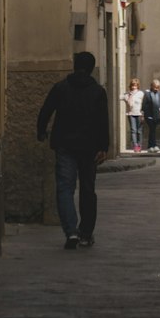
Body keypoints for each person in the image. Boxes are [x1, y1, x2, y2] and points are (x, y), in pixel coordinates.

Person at [36, 51, 109, 249]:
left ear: (74, 66)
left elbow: (46, 110)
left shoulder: (61, 88)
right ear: (92, 68)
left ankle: (71, 232)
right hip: (89, 147)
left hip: (65, 145)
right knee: (87, 189)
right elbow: (103, 121)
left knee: (64, 188)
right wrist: (103, 147)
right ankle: (86, 233)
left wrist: (41, 131)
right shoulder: (98, 92)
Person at [141, 78, 160, 154]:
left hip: (156, 115)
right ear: (151, 86)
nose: (156, 89)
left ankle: (152, 146)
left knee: (153, 130)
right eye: (155, 87)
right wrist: (143, 114)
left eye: (157, 87)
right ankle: (152, 146)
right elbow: (144, 105)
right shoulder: (147, 93)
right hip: (149, 115)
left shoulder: (159, 94)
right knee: (152, 130)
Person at [122, 77, 144, 153]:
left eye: (135, 85)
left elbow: (143, 104)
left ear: (138, 86)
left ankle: (139, 145)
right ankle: (135, 145)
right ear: (130, 86)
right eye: (132, 85)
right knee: (133, 130)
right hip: (131, 114)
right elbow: (119, 97)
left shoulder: (141, 93)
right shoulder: (127, 94)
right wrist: (128, 95)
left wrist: (143, 113)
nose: (134, 87)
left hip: (139, 114)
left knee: (139, 131)